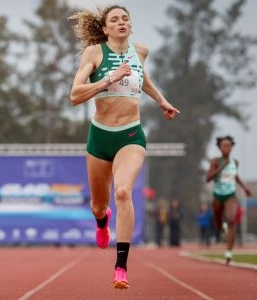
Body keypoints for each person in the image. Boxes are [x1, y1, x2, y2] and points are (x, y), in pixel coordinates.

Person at [69, 5, 179, 288]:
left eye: (125, 18)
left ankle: (121, 267)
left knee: (122, 191)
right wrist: (109, 79)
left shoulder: (140, 51)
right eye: (114, 19)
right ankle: (102, 221)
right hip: (100, 136)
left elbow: (143, 78)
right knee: (98, 205)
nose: (121, 22)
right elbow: (75, 95)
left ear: (131, 25)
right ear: (105, 28)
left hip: (130, 135)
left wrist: (161, 100)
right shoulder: (94, 52)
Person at [205, 135, 252, 264]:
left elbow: (235, 176)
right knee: (219, 223)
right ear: (220, 147)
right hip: (217, 196)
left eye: (228, 146)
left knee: (232, 220)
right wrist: (221, 167)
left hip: (230, 195)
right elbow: (208, 178)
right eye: (224, 146)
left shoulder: (235, 162)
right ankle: (223, 228)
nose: (226, 148)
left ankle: (229, 252)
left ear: (231, 147)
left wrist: (245, 188)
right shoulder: (215, 161)